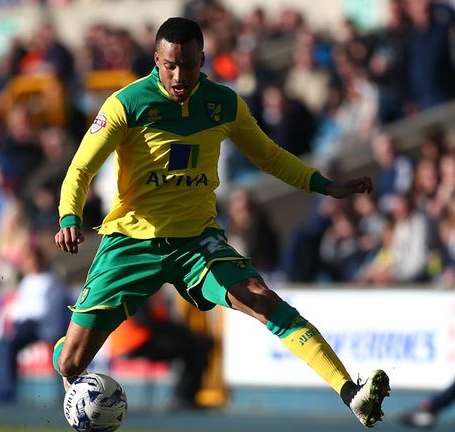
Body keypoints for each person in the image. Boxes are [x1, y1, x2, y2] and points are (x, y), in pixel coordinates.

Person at [52, 17, 389, 428]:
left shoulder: (224, 103)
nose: (179, 76)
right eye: (170, 65)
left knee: (262, 298)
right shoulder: (126, 104)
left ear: (203, 59)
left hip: (196, 241)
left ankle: (351, 393)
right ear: (156, 60)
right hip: (132, 241)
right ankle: (67, 350)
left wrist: (323, 185)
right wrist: (70, 216)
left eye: (189, 65)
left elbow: (269, 156)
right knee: (71, 362)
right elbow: (81, 168)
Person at [0, 246, 70, 404]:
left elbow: (43, 310)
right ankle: (2, 390)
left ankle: (5, 392)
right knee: (1, 345)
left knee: (6, 345)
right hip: (23, 325)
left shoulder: (50, 281)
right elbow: (18, 309)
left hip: (39, 326)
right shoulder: (26, 281)